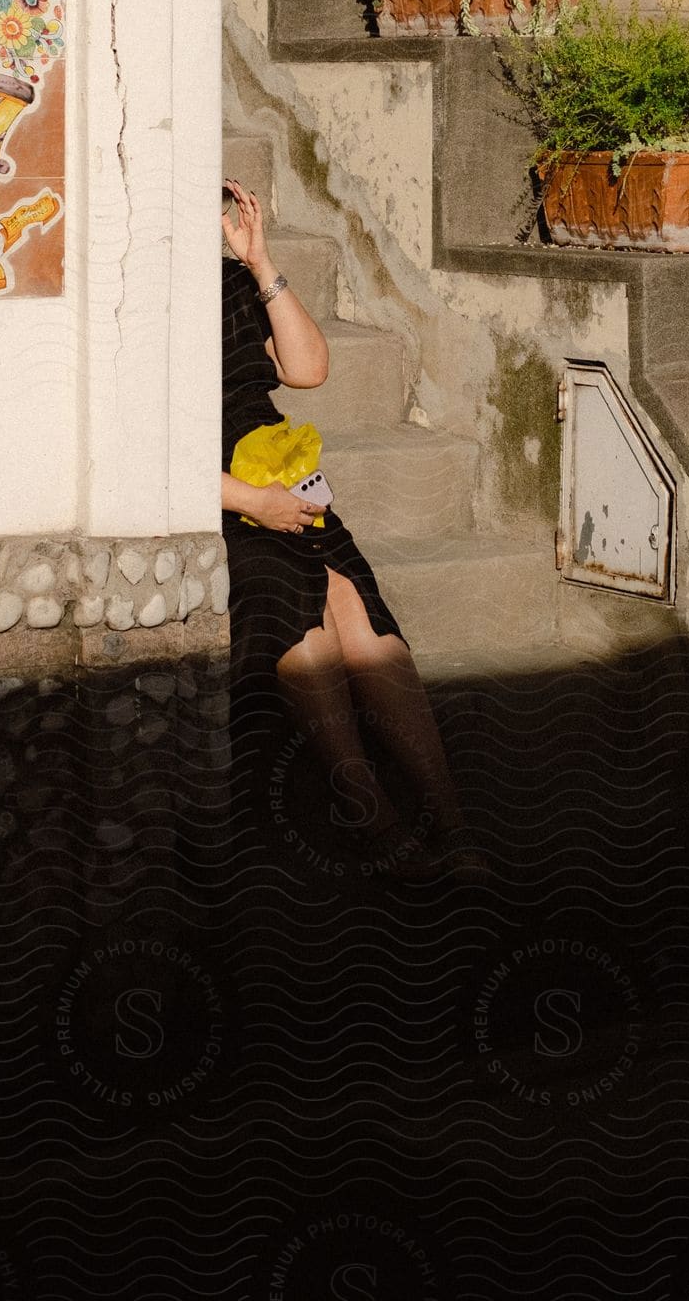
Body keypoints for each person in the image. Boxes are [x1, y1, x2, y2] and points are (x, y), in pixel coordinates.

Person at [220, 177, 487, 882]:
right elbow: (138, 455)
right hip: (211, 494)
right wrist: (249, 498)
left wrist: (260, 262)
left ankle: (450, 823)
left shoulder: (227, 285)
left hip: (277, 475)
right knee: (290, 604)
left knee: (353, 604)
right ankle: (372, 815)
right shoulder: (130, 308)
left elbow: (308, 369)